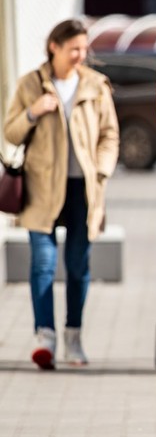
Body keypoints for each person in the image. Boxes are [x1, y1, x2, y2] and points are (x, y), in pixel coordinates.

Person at [3, 19, 120, 370]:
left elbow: (110, 135)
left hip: (83, 190)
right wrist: (33, 112)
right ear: (54, 46)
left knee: (78, 265)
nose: (80, 56)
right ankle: (45, 337)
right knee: (43, 263)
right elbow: (10, 132)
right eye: (74, 49)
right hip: (41, 188)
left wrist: (101, 171)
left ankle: (73, 336)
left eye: (84, 49)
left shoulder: (96, 86)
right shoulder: (30, 85)